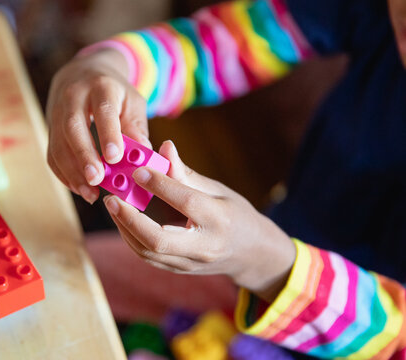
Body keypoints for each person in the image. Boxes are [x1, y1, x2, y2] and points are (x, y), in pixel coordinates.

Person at [46, 0, 406, 358]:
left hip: (314, 313)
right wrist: (108, 66)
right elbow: (209, 48)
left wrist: (264, 261)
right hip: (242, 270)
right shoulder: (374, 11)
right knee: (52, 274)